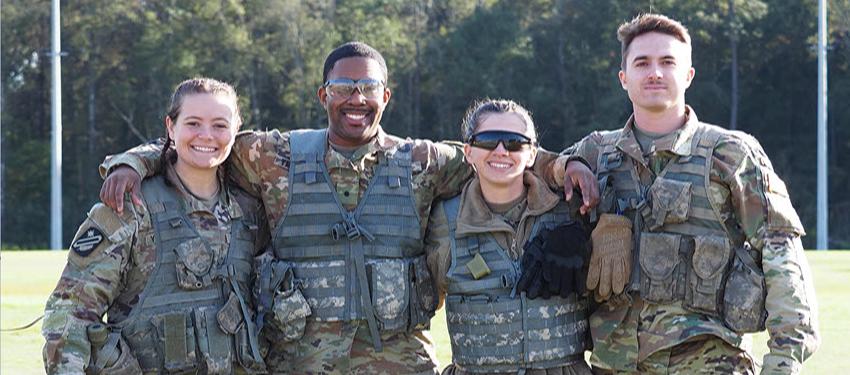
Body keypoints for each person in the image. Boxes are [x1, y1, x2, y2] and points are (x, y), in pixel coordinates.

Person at [97, 42, 599, 374]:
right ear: (324, 95)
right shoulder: (273, 156)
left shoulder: (424, 160)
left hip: (400, 363)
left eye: (368, 88)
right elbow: (204, 142)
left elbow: (500, 154)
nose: (356, 98)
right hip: (297, 363)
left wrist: (567, 167)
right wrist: (131, 162)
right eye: (343, 88)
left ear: (387, 96)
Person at [566, 13, 820, 374]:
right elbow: (520, 166)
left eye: (667, 62)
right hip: (613, 365)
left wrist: (784, 361)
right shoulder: (595, 153)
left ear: (688, 75)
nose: (655, 73)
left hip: (710, 365)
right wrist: (568, 166)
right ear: (624, 78)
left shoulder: (731, 154)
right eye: (642, 63)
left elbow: (783, 257)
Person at [42, 78, 269, 374]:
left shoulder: (251, 212)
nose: (206, 135)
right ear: (170, 127)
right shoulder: (129, 209)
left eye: (219, 125)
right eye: (193, 123)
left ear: (236, 129)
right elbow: (69, 317)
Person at [426, 99, 593, 375]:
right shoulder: (443, 221)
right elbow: (419, 310)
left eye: (515, 142)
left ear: (532, 154)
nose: (501, 151)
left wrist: (598, 230)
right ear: (468, 152)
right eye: (489, 140)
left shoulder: (572, 209)